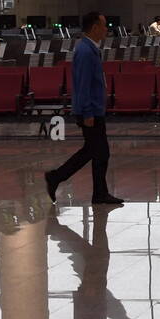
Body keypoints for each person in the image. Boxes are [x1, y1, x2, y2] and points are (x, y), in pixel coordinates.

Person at [45, 11, 124, 206]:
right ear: (95, 27)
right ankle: (57, 177)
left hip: (95, 109)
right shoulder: (85, 51)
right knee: (98, 151)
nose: (107, 29)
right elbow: (83, 84)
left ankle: (98, 192)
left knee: (95, 151)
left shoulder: (91, 48)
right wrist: (88, 112)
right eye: (104, 25)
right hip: (90, 111)